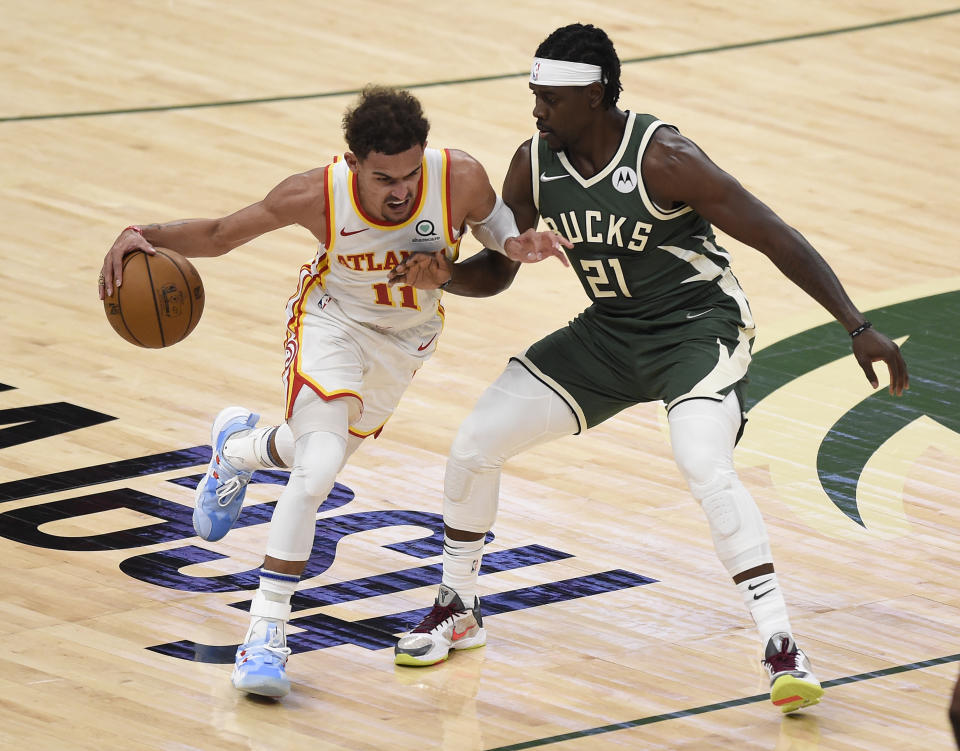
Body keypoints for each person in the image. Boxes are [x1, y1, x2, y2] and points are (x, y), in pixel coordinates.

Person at [387, 24, 909, 715]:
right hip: (608, 335)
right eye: (534, 97)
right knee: (474, 443)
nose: (536, 112)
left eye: (548, 100)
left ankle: (782, 643)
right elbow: (501, 272)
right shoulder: (533, 162)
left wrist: (858, 325)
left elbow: (773, 231)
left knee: (702, 462)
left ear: (595, 96)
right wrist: (446, 275)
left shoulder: (664, 158)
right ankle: (458, 605)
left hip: (698, 330)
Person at [98, 86, 568, 698]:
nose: (399, 190)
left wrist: (515, 245)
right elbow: (218, 235)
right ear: (353, 165)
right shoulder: (316, 194)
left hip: (404, 344)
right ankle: (264, 634)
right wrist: (141, 231)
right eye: (382, 178)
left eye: (407, 173)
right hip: (331, 327)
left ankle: (238, 448)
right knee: (318, 470)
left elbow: (495, 229)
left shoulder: (459, 176)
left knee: (310, 451)